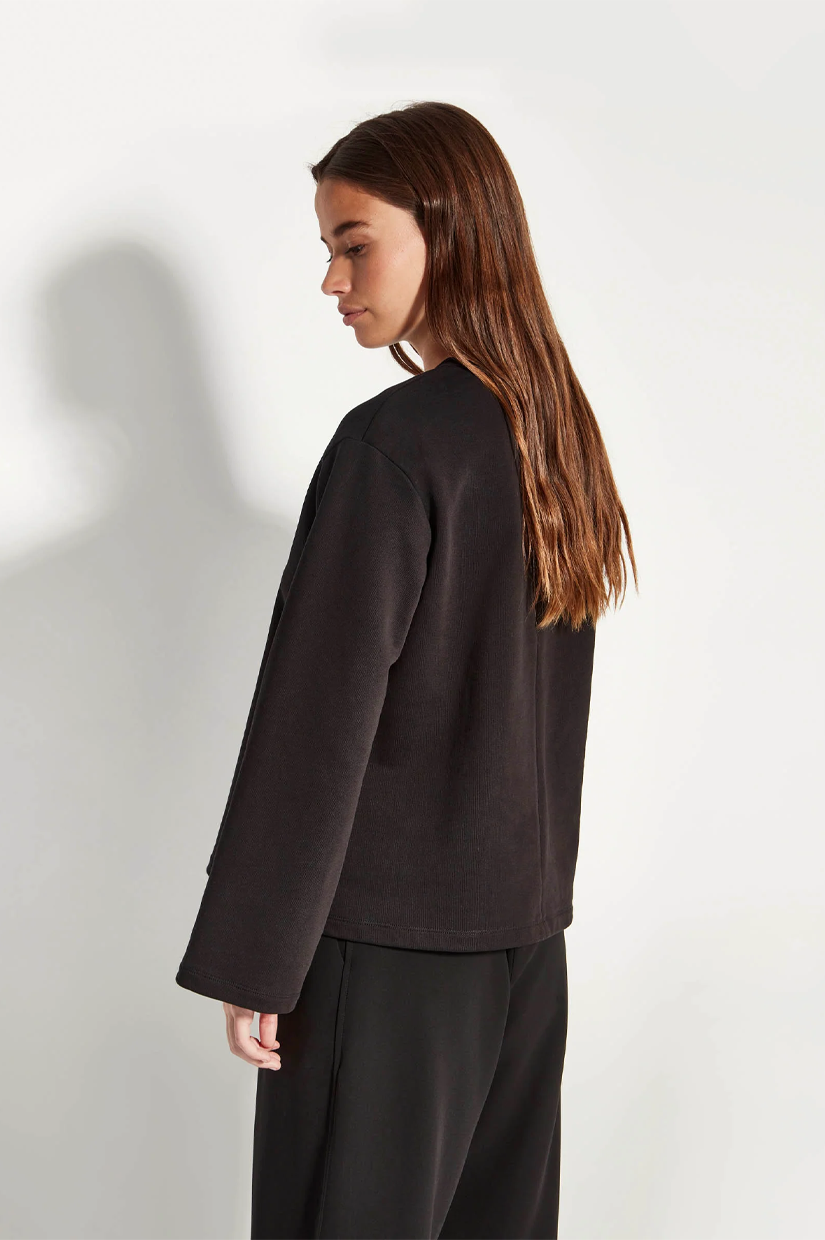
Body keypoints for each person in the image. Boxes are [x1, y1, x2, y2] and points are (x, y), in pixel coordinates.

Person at [175, 100, 637, 1239]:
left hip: (383, 958)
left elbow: (316, 719)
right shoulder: (555, 436)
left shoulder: (396, 444)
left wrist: (257, 953)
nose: (332, 281)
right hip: (523, 957)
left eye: (354, 243)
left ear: (450, 231)